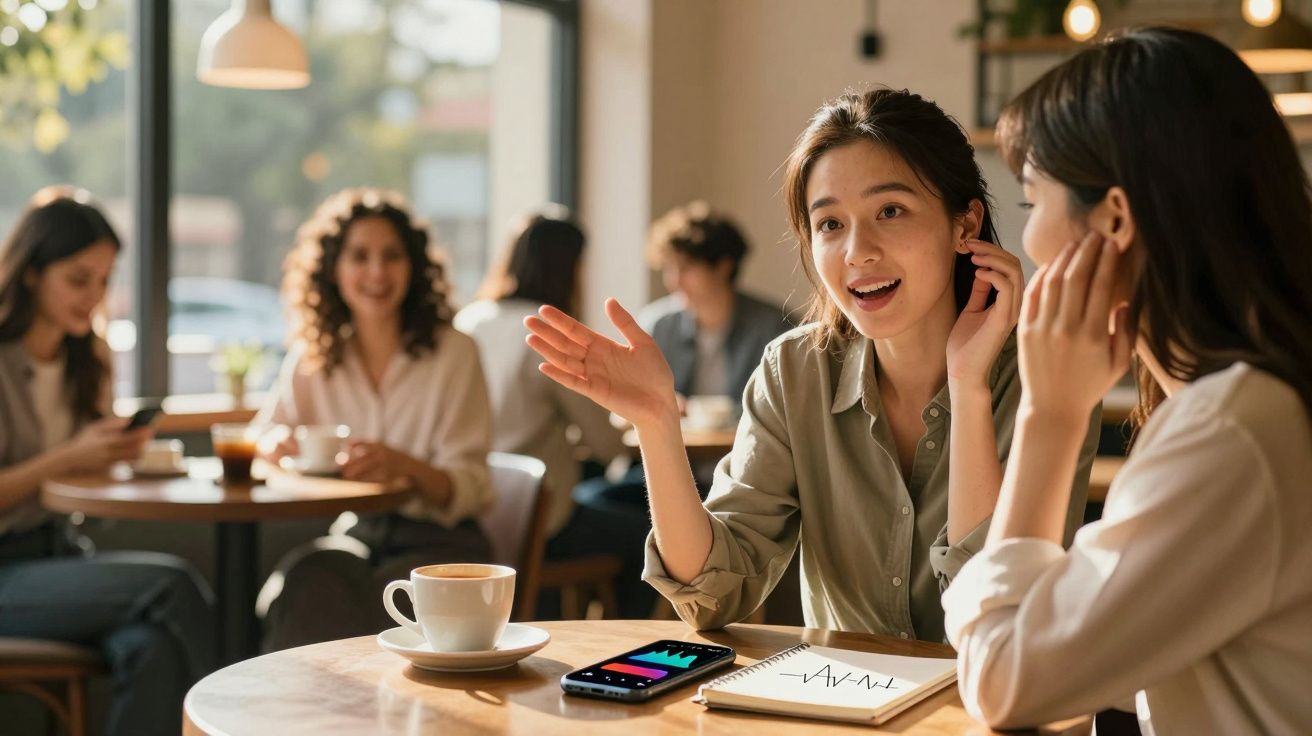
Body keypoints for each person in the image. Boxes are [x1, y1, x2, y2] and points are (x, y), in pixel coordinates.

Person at [526, 89, 1100, 640]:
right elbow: (715, 593)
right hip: (842, 709)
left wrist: (969, 390)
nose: (857, 252)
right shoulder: (794, 371)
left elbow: (999, 617)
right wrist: (656, 423)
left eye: (891, 210)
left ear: (965, 225)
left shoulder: (1049, 380)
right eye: (829, 224)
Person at [941, 28, 1312, 734]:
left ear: (1113, 219)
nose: (1029, 243)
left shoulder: (1233, 429)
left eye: (1031, 203)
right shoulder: (1247, 401)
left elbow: (1002, 679)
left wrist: (1048, 417)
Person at [0, 189, 214, 736]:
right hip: (7, 571)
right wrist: (69, 456)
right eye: (78, 279)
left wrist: (116, 454)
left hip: (60, 558)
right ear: (31, 274)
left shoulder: (87, 357)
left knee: (153, 648)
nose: (94, 297)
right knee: (173, 586)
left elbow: (89, 486)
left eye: (104, 280)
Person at [255, 188, 494, 649]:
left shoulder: (454, 352)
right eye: (359, 256)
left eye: (392, 256)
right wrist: (274, 444)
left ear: (415, 267)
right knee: (305, 578)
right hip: (356, 534)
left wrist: (404, 465)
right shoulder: (315, 357)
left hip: (442, 544)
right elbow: (264, 434)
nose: (377, 272)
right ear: (333, 270)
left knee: (362, 598)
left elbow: (471, 487)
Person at [455, 208, 651, 617]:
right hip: (541, 524)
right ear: (570, 268)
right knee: (649, 534)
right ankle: (630, 648)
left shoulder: (470, 321)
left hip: (479, 516)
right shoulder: (547, 334)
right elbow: (606, 444)